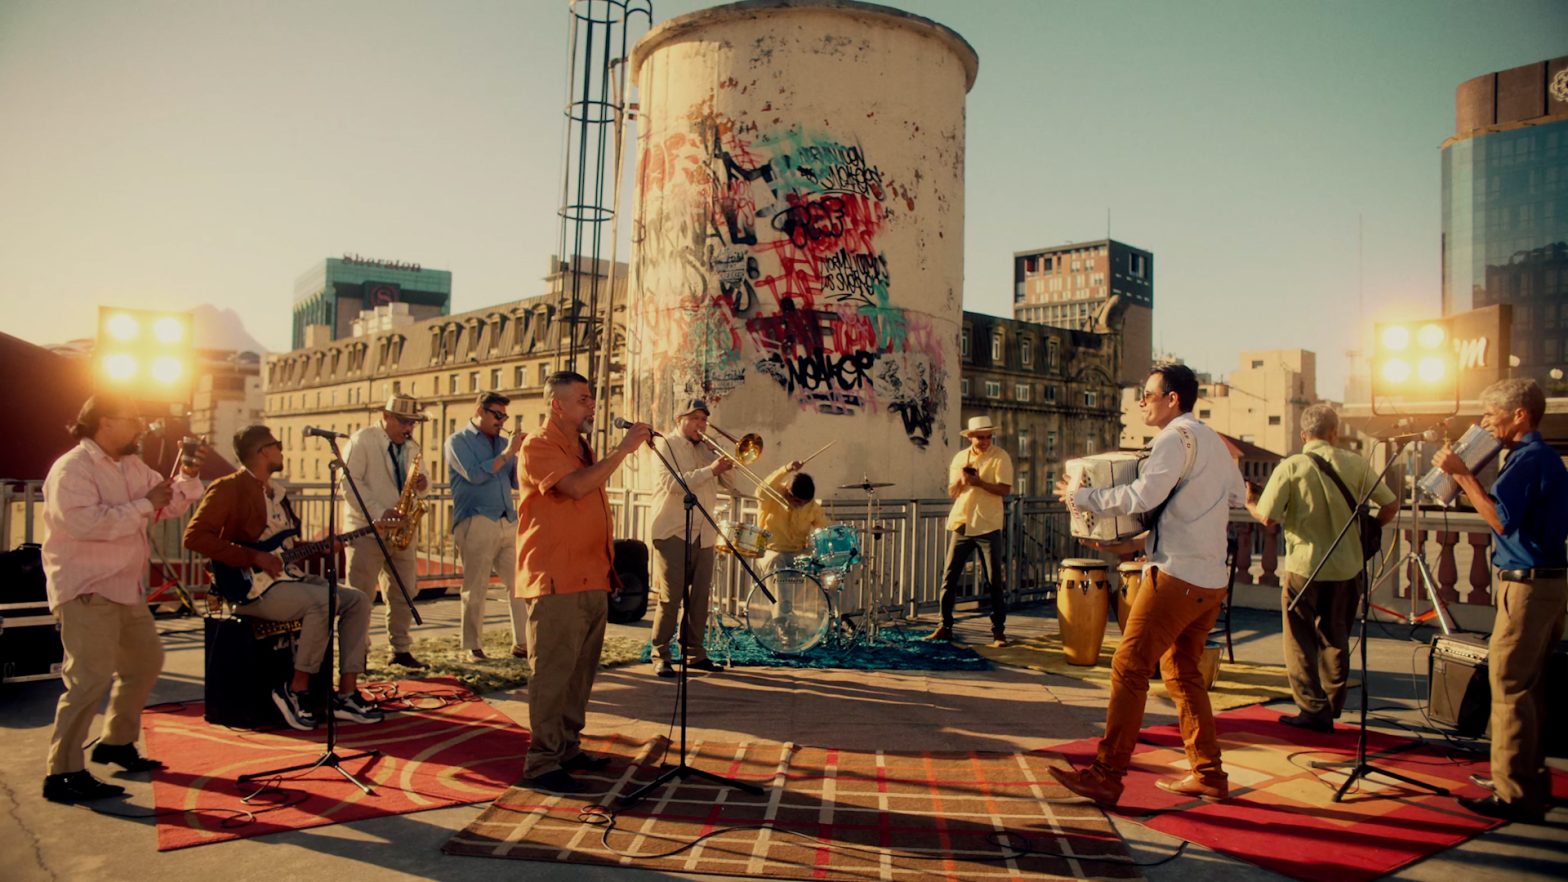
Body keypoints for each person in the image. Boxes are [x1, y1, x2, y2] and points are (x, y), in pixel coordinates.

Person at [1051, 363, 1246, 806]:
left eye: (1149, 395)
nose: (1142, 402)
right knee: (1181, 672)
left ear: (1172, 399)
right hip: (1211, 578)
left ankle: (1107, 774)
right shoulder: (1213, 441)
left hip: (1178, 574)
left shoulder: (1174, 439)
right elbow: (1235, 495)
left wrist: (1079, 498)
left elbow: (1141, 495)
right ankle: (1209, 774)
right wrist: (1140, 540)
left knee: (1129, 666)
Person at [40, 395, 205, 804]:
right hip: (87, 586)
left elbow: (162, 504)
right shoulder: (72, 469)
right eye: (132, 420)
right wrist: (143, 505)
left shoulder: (129, 465)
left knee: (145, 661)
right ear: (105, 422)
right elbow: (83, 522)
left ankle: (115, 741)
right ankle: (62, 772)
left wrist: (187, 472)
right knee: (88, 679)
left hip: (124, 587)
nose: (141, 427)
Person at [183, 425, 382, 731]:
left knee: (356, 600)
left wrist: (321, 548)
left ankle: (346, 693)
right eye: (277, 445)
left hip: (288, 581)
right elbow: (194, 537)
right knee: (322, 602)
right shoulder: (228, 488)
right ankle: (295, 690)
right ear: (263, 451)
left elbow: (285, 550)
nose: (282, 450)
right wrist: (254, 557)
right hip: (250, 590)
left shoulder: (277, 493)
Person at [1432, 378, 1567, 823]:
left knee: (1508, 685)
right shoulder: (1546, 458)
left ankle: (1514, 794)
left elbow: (1500, 521)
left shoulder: (1528, 459)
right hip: (1549, 581)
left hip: (1526, 585)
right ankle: (1529, 781)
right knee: (1532, 686)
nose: (1486, 423)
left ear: (1520, 415)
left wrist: (1460, 474)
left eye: (1492, 414)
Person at [516, 371, 652, 793]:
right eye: (583, 399)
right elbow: (575, 489)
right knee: (553, 672)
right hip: (555, 578)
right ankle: (541, 761)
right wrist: (624, 451)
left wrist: (606, 570)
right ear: (557, 404)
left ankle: (567, 747)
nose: (592, 405)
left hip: (590, 576)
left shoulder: (580, 445)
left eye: (591, 398)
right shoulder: (538, 445)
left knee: (580, 673)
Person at [1246, 404, 1396, 732]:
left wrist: (1250, 504)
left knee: (1299, 639)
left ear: (1303, 435)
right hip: (1347, 566)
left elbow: (1269, 518)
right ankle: (1333, 702)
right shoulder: (1355, 462)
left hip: (1305, 567)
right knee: (1337, 636)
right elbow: (1390, 504)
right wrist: (1366, 528)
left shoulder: (1292, 466)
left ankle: (1313, 709)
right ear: (1334, 433)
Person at [647, 399, 737, 678]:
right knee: (671, 597)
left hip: (704, 533)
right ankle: (660, 653)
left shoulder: (706, 450)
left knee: (700, 598)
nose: (701, 425)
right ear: (679, 419)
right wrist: (711, 470)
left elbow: (733, 486)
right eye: (695, 418)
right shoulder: (665, 444)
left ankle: (694, 652)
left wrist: (723, 460)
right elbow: (674, 483)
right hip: (672, 530)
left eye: (703, 420)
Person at [344, 394, 430, 668]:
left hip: (402, 530)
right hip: (367, 531)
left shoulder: (411, 446)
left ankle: (401, 649)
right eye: (404, 422)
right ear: (387, 417)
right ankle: (358, 655)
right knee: (360, 596)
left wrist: (423, 484)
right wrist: (380, 512)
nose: (409, 429)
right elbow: (349, 483)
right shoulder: (362, 440)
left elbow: (423, 486)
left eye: (413, 424)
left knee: (403, 591)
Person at [445, 392, 528, 661]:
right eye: (497, 414)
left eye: (505, 416)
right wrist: (508, 453)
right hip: (476, 519)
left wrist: (524, 455)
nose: (501, 420)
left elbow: (516, 482)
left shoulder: (503, 443)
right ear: (480, 411)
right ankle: (472, 646)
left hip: (506, 519)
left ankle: (523, 642)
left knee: (519, 584)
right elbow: (475, 474)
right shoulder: (458, 441)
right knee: (476, 585)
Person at [925, 415, 1013, 648]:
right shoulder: (960, 458)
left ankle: (998, 632)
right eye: (981, 437)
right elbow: (952, 491)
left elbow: (1005, 490)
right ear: (971, 437)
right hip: (962, 522)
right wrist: (964, 480)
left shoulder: (1001, 456)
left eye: (988, 437)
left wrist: (980, 483)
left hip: (988, 524)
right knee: (949, 577)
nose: (985, 441)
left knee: (994, 580)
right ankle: (944, 626)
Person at [755, 459, 829, 573]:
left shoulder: (811, 505)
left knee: (816, 566)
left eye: (805, 502)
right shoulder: (773, 493)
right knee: (776, 561)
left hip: (798, 554)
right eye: (797, 501)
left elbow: (824, 529)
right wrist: (786, 469)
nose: (801, 505)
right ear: (788, 492)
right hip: (770, 551)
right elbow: (761, 491)